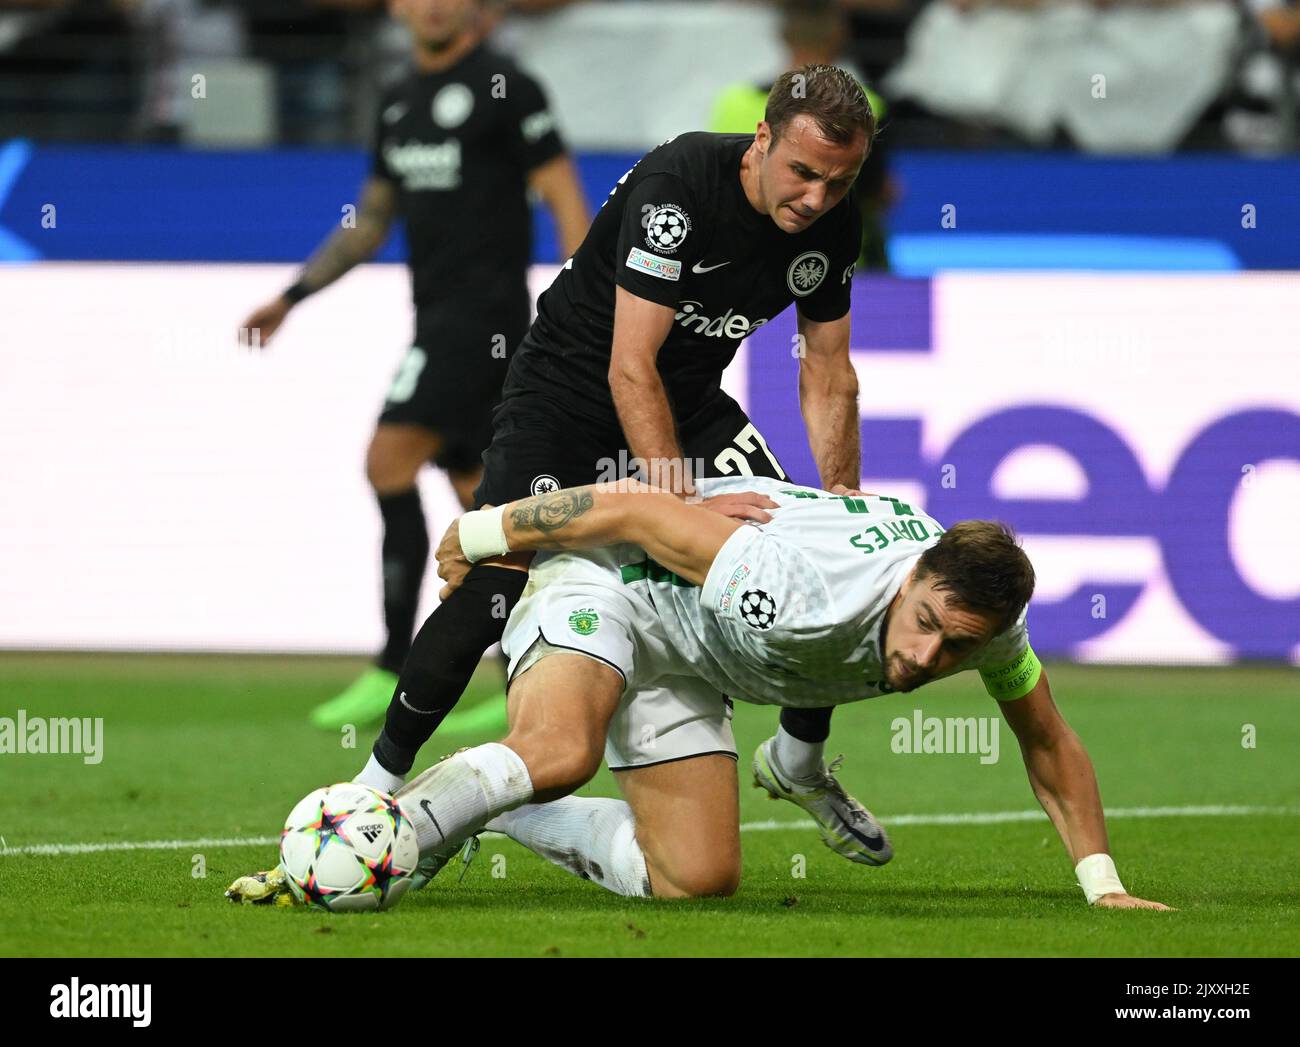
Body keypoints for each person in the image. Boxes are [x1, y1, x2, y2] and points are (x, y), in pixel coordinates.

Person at [355, 64, 880, 866]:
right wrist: (683, 513)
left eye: (837, 184)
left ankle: (798, 759)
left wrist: (842, 501)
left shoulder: (832, 223)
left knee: (807, 562)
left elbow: (828, 370)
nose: (815, 198)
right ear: (763, 139)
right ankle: (373, 788)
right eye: (803, 173)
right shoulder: (681, 186)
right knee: (497, 582)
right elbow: (629, 365)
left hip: (690, 400)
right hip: (565, 392)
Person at [385, 474, 1170, 909]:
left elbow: (1047, 739)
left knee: (695, 879)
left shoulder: (991, 632)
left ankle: (498, 800)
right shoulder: (797, 591)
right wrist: (486, 530)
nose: (928, 657)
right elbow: (635, 506)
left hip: (691, 659)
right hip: (608, 583)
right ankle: (384, 838)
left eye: (955, 645)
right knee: (562, 749)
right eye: (925, 622)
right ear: (910, 578)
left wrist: (1103, 887)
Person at [238, 0, 589, 731]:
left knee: (388, 461)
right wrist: (292, 295)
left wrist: (585, 305)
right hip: (437, 319)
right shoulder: (398, 102)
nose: (432, 5)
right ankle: (526, 663)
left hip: (483, 323)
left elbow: (563, 195)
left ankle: (393, 661)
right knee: (486, 506)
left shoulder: (505, 86)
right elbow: (370, 222)